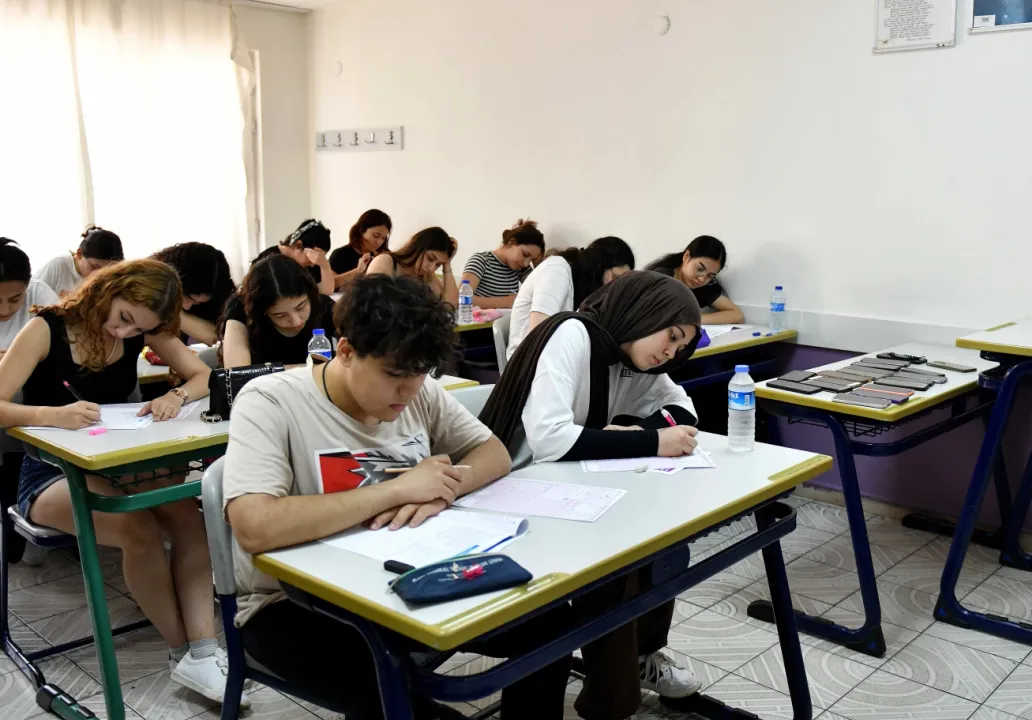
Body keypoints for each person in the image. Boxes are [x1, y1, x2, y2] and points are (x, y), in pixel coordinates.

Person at [222, 274, 572, 718]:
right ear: (346, 351)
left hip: (408, 579)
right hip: (293, 606)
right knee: (409, 701)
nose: (408, 390)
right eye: (393, 375)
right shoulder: (270, 401)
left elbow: (494, 454)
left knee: (550, 623)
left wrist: (442, 489)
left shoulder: (417, 390)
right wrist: (398, 489)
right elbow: (254, 525)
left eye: (420, 373)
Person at [0, 259, 234, 705]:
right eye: (123, 318)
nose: (124, 332)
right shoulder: (45, 329)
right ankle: (182, 652)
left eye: (137, 329)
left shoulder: (143, 328)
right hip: (50, 471)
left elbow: (205, 374)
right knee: (136, 528)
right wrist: (51, 415)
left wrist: (176, 395)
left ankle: (204, 651)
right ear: (109, 289)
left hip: (116, 461)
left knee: (191, 520)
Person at [479, 271, 703, 719]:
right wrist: (650, 441)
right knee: (618, 564)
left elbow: (683, 409)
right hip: (514, 491)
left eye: (680, 348)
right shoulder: (572, 334)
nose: (670, 352)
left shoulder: (632, 358)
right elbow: (550, 440)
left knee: (660, 538)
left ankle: (641, 657)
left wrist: (634, 432)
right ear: (646, 313)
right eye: (671, 336)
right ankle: (612, 699)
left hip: (568, 489)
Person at [0, 237, 60, 562]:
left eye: (14, 299)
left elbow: (62, 344)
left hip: (33, 411)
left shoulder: (39, 294)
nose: (5, 310)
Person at [506, 236, 635, 360]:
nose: (616, 287)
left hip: (549, 361)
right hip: (527, 365)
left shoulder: (581, 289)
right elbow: (540, 334)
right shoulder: (556, 269)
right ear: (599, 266)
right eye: (615, 278)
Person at [219, 254, 336, 368]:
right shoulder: (241, 309)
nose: (296, 321)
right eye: (280, 315)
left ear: (309, 294)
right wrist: (313, 369)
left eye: (300, 307)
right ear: (263, 311)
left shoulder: (324, 306)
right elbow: (237, 373)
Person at [645, 236, 744, 324]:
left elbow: (737, 315)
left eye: (710, 275)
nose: (702, 279)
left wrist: (695, 319)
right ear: (686, 257)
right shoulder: (661, 277)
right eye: (700, 269)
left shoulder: (701, 285)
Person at [151, 242, 235, 346]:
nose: (187, 306)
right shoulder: (151, 288)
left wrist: (173, 313)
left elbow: (217, 340)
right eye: (185, 297)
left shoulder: (220, 306)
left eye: (197, 303)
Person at [461, 218, 545, 309]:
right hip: (480, 318)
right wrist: (506, 302)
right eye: (525, 254)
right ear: (511, 242)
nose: (526, 263)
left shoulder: (521, 268)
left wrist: (538, 264)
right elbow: (461, 299)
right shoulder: (481, 261)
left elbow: (542, 294)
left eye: (531, 260)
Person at [366, 226, 459, 306]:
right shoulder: (386, 261)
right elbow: (372, 303)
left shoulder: (427, 276)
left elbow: (449, 307)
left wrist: (447, 265)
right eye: (430, 258)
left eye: (438, 265)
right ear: (418, 247)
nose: (431, 268)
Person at [34, 225, 124, 298]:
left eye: (107, 271)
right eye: (95, 267)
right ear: (80, 254)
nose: (99, 275)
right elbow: (31, 297)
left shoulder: (108, 280)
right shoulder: (58, 266)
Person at [254, 219, 335, 295]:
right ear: (298, 245)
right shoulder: (268, 260)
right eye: (313, 255)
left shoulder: (310, 264)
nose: (313, 264)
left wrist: (324, 265)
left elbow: (326, 291)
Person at [330, 209, 391, 290]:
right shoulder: (340, 254)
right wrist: (358, 271)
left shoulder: (383, 256)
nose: (379, 242)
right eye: (376, 236)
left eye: (383, 238)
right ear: (361, 230)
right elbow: (330, 285)